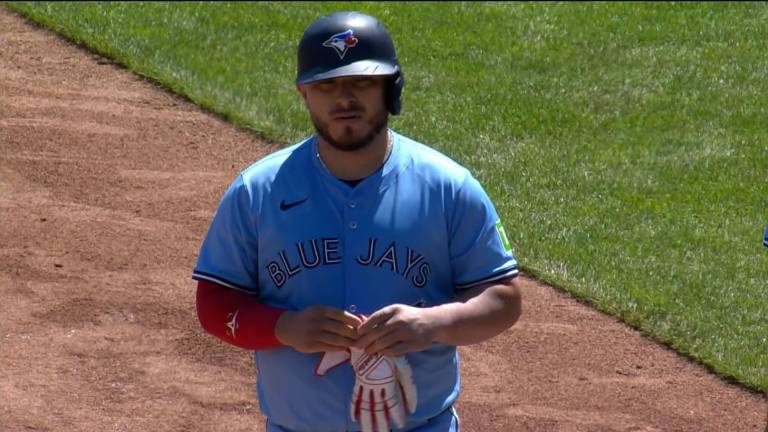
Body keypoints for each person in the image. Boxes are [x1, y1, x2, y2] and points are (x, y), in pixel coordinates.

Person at [193, 11, 522, 432]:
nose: (344, 98)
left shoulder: (448, 187)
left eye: (361, 83)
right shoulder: (257, 191)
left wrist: (431, 325)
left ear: (390, 89)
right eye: (326, 85)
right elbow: (214, 304)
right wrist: (284, 327)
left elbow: (504, 299)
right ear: (304, 94)